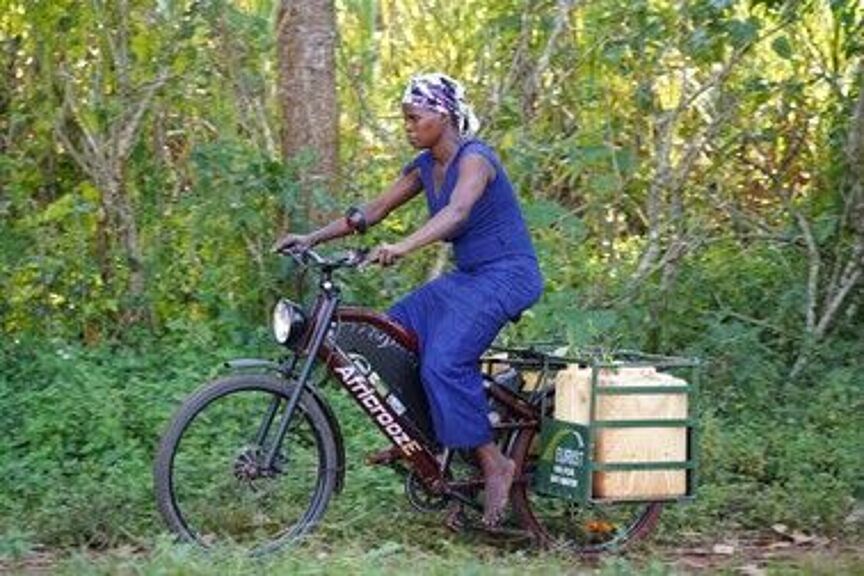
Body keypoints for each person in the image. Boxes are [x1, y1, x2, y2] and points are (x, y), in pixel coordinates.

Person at [275, 72, 544, 527]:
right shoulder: (423, 166)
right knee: (390, 337)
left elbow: (458, 212)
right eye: (404, 118)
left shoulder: (476, 159)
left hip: (507, 276)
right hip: (469, 278)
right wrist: (311, 237)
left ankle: (495, 462)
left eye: (413, 117)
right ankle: (430, 443)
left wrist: (402, 247)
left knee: (443, 363)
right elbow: (372, 212)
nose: (407, 126)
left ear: (442, 115)